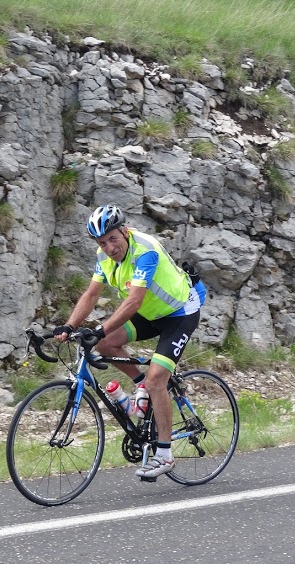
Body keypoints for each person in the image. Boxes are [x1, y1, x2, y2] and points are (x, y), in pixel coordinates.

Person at [53, 203, 206, 480]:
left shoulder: (144, 249)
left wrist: (99, 328)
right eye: (103, 242)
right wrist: (69, 325)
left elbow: (134, 300)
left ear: (124, 231)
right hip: (150, 314)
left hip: (179, 312)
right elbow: (90, 295)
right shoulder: (104, 257)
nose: (110, 247)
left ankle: (164, 454)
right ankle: (141, 388)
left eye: (113, 238)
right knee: (106, 344)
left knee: (157, 377)